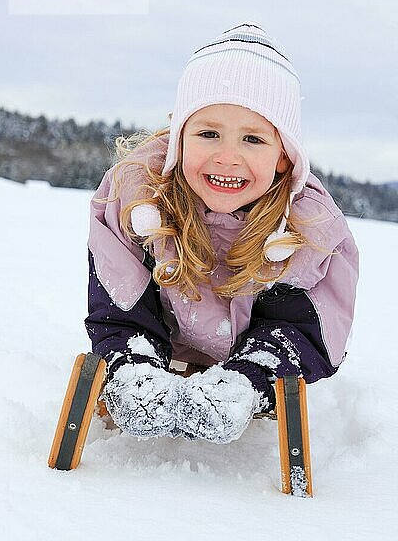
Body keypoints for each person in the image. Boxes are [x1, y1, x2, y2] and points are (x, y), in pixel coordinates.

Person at [84, 22, 359, 444]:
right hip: (161, 335)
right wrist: (130, 362)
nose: (228, 157)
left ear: (284, 157)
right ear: (180, 140)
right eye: (208, 133)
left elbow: (307, 330)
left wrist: (249, 379)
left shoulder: (311, 230)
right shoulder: (133, 202)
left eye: (253, 139)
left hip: (251, 351)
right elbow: (118, 300)